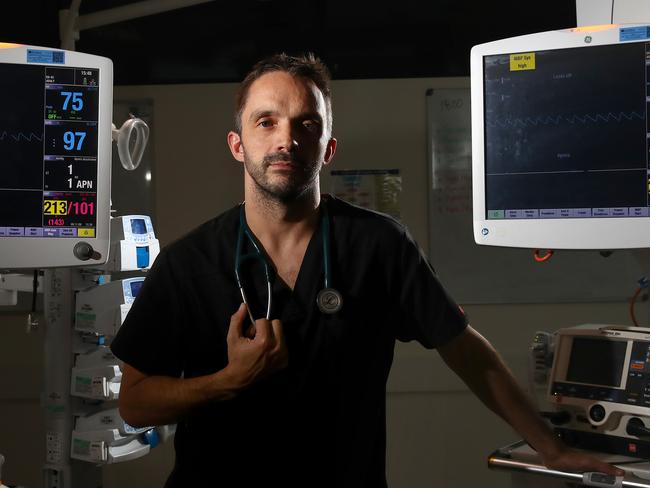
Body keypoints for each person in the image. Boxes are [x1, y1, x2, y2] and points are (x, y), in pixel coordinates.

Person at [111, 53, 624, 487]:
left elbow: (466, 351)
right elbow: (134, 403)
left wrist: (550, 450)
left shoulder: (379, 245)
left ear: (327, 148)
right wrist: (225, 382)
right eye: (266, 121)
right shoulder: (187, 263)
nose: (285, 139)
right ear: (238, 144)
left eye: (305, 123)